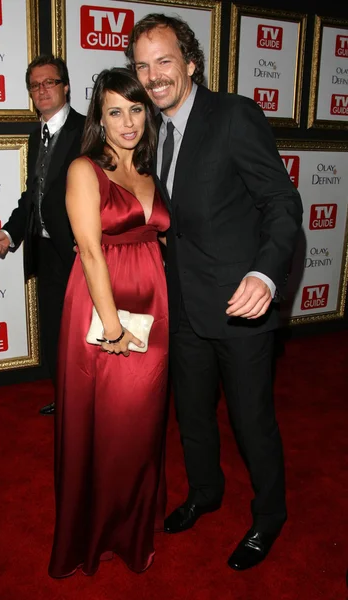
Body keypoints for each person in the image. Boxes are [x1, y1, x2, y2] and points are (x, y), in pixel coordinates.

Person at [126, 14, 303, 571]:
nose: (153, 76)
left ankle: (270, 515)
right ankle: (205, 491)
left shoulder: (233, 115)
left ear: (191, 63)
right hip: (181, 305)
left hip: (239, 306)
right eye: (142, 65)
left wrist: (265, 275)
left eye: (164, 61)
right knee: (193, 414)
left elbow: (282, 204)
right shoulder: (150, 130)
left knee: (252, 421)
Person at [48, 67, 170, 577]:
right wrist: (113, 326)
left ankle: (134, 524)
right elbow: (92, 253)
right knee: (106, 423)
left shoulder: (150, 165)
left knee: (143, 426)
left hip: (154, 308)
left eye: (137, 109)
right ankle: (95, 531)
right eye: (115, 111)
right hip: (104, 308)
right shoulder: (84, 168)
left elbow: (157, 233)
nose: (128, 122)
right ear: (99, 115)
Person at [0, 55, 85, 416]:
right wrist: (10, 233)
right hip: (45, 251)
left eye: (50, 82)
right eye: (35, 85)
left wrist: (91, 238)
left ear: (66, 86)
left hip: (78, 252)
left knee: (84, 333)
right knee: (55, 333)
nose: (42, 90)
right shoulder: (36, 133)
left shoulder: (86, 130)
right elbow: (33, 195)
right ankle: (67, 399)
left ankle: (90, 401)